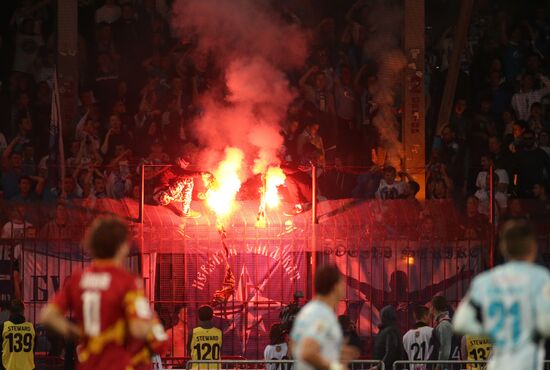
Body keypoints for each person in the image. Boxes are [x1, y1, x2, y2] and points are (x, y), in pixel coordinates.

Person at [40, 217, 160, 370]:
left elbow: (47, 316)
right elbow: (139, 328)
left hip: (89, 363)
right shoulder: (127, 281)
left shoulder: (79, 279)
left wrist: (75, 332)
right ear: (122, 246)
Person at [453, 219, 550, 370]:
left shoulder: (484, 281)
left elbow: (460, 322)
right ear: (532, 249)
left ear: (503, 248)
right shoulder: (541, 279)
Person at [290, 265, 357, 370]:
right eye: (342, 283)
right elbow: (307, 352)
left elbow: (294, 346)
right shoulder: (321, 314)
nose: (344, 287)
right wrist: (336, 367)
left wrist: (335, 351)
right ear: (334, 287)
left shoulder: (308, 311)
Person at [0, 300, 35, 370]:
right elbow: (33, 349)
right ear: (23, 311)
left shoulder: (4, 327)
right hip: (28, 367)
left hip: (8, 367)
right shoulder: (31, 327)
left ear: (10, 312)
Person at [431, 295, 461, 370]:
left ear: (434, 308)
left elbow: (445, 348)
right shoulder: (448, 322)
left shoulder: (444, 325)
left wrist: (439, 366)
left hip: (448, 367)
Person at [373, 305, 404, 370]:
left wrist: (378, 367)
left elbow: (390, 352)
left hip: (388, 368)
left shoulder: (390, 330)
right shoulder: (387, 330)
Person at [402, 306, 433, 370]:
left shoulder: (406, 336)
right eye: (429, 316)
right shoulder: (432, 332)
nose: (430, 319)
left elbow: (405, 358)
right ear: (425, 316)